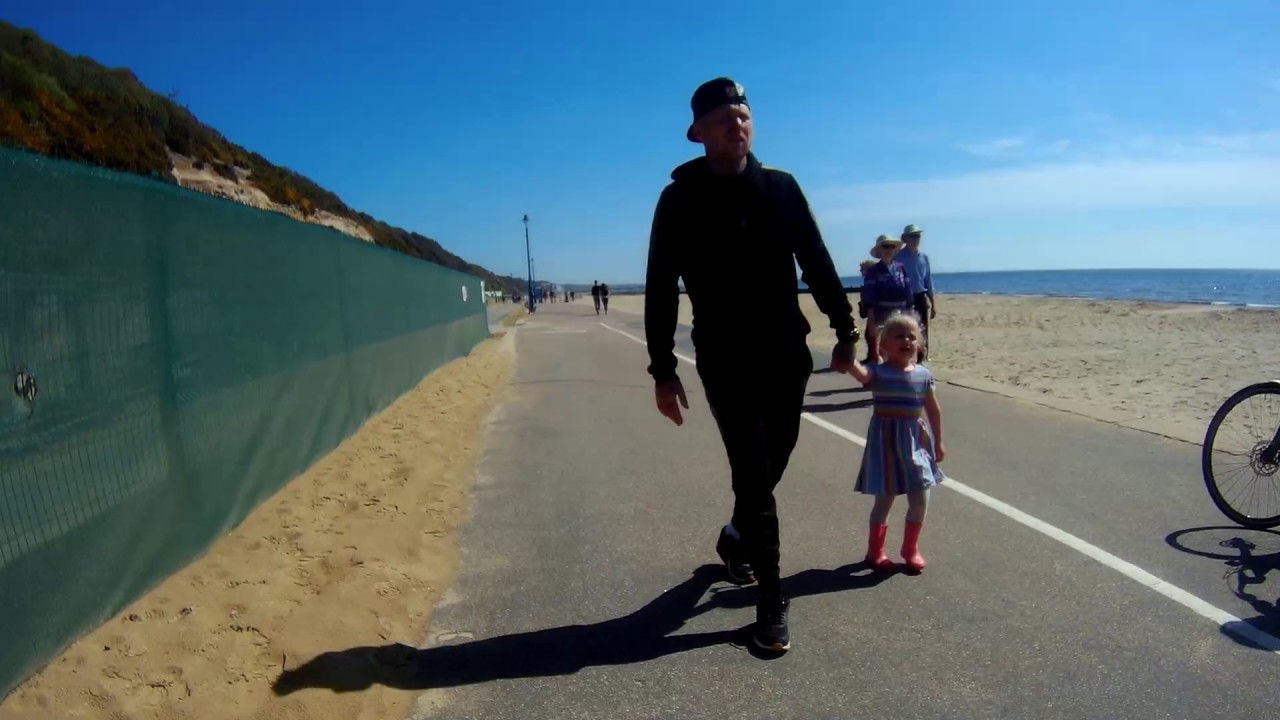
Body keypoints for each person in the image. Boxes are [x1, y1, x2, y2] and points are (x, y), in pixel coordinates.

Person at [644, 76, 859, 653]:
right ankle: (770, 600)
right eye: (722, 117)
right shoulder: (679, 202)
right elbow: (661, 288)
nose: (736, 122)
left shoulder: (782, 190)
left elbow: (816, 261)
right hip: (724, 360)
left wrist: (846, 329)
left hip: (787, 355)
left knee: (774, 461)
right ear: (699, 135)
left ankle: (737, 537)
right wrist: (663, 370)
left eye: (742, 113)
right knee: (754, 474)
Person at [844, 313, 945, 574]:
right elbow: (862, 375)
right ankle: (875, 552)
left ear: (919, 344)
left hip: (915, 444)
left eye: (912, 336)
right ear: (884, 345)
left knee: (921, 496)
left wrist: (939, 442)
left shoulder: (923, 375)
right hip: (886, 445)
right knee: (884, 500)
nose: (907, 340)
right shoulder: (879, 371)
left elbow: (933, 410)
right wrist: (848, 360)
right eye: (899, 335)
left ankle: (910, 549)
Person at [860, 235, 913, 364]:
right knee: (882, 351)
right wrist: (871, 319)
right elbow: (870, 297)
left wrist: (911, 312)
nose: (889, 249)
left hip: (901, 314)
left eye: (892, 246)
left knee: (899, 347)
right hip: (881, 316)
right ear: (879, 250)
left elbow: (908, 291)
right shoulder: (873, 271)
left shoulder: (901, 268)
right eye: (885, 246)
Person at [896, 224, 935, 362]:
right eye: (912, 236)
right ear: (905, 238)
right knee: (906, 329)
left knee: (923, 329)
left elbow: (928, 280)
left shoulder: (924, 257)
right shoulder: (898, 257)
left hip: (920, 296)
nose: (916, 239)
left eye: (918, 236)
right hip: (905, 298)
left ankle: (922, 357)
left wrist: (933, 303)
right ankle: (904, 357)